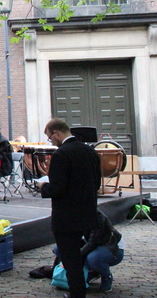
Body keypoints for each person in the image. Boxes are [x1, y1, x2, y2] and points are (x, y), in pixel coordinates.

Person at [38, 118, 101, 298]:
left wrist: (43, 187)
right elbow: (96, 184)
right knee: (75, 258)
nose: (51, 141)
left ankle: (77, 294)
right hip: (86, 214)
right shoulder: (90, 151)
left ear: (56, 133)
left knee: (70, 259)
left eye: (50, 138)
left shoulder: (60, 154)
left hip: (66, 217)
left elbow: (57, 188)